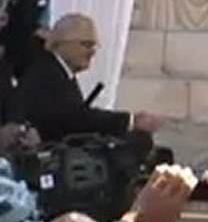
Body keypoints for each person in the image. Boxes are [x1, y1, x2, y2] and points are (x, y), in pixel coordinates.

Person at [15, 13, 161, 142]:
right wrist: (130, 121)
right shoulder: (47, 74)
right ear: (63, 43)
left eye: (94, 46)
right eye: (86, 44)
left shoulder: (59, 71)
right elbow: (73, 120)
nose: (92, 52)